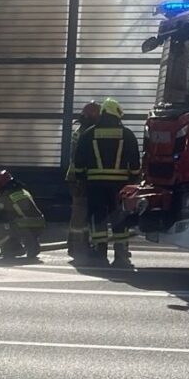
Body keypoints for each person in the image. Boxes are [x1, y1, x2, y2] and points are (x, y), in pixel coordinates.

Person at [73, 97, 141, 269]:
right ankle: (120, 255)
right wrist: (134, 180)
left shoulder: (89, 133)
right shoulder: (127, 134)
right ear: (116, 114)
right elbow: (134, 162)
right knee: (120, 218)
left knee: (98, 218)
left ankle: (99, 252)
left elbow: (79, 161)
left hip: (95, 184)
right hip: (120, 186)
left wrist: (80, 180)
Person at [65, 101, 101, 261]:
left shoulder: (80, 131)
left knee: (80, 213)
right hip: (80, 178)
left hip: (77, 177)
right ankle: (77, 246)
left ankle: (76, 245)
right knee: (80, 214)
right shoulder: (85, 133)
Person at [0, 169, 44, 260]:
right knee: (16, 221)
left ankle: (11, 248)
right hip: (40, 224)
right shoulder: (24, 191)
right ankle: (31, 244)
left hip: (21, 227)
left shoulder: (4, 197)